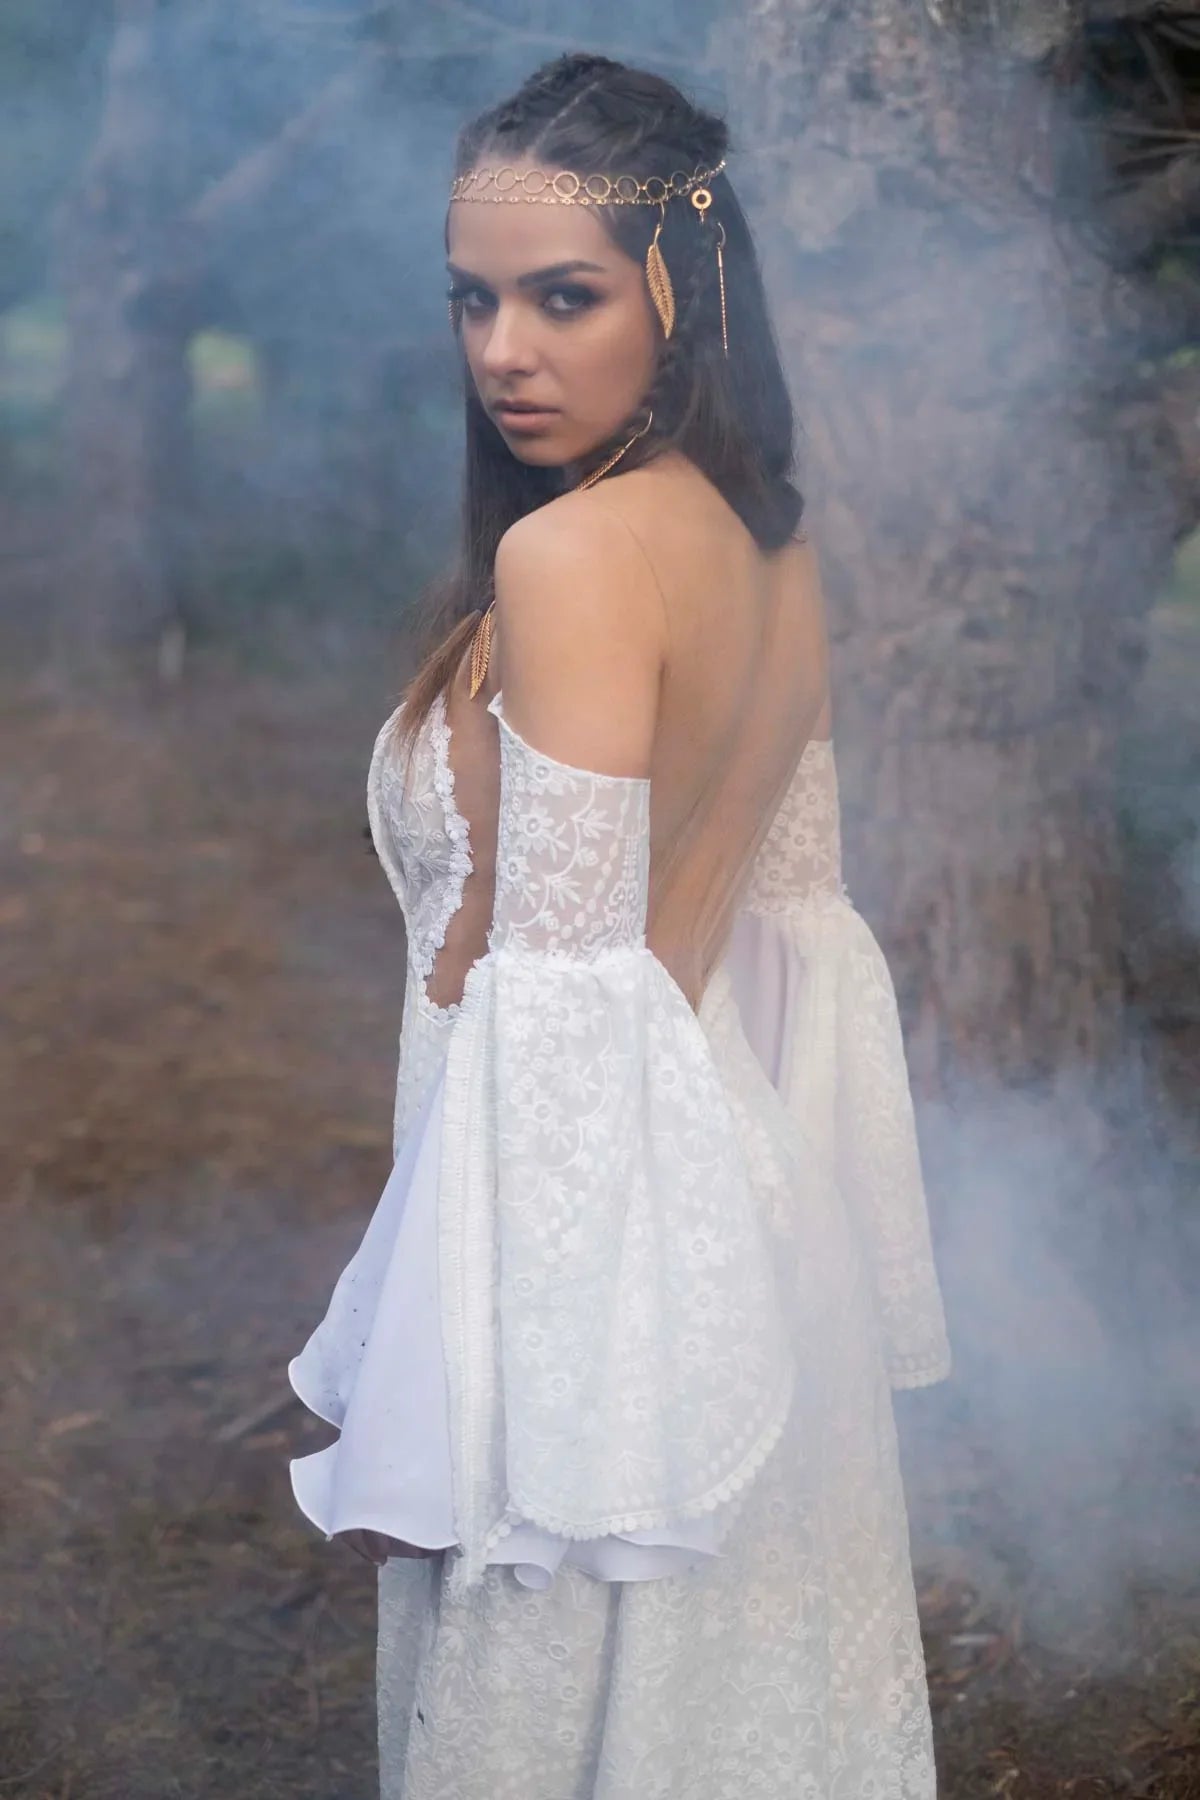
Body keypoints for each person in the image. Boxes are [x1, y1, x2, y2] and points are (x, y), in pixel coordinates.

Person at [285, 50, 952, 1800]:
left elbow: (566, 1027)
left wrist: (454, 1400)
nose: (503, 349)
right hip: (741, 1213)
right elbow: (793, 949)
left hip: (596, 1267)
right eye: (475, 299)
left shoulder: (573, 561)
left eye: (564, 297)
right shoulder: (774, 542)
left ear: (683, 292)